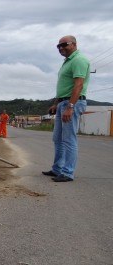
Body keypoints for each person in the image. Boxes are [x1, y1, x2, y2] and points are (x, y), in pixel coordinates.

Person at [43, 35, 89, 182]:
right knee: (58, 139)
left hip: (72, 103)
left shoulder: (79, 60)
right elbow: (65, 87)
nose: (61, 48)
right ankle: (57, 169)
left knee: (69, 139)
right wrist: (56, 103)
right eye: (59, 46)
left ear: (74, 44)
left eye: (64, 45)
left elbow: (78, 85)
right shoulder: (67, 62)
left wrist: (70, 106)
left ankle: (68, 173)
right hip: (63, 103)